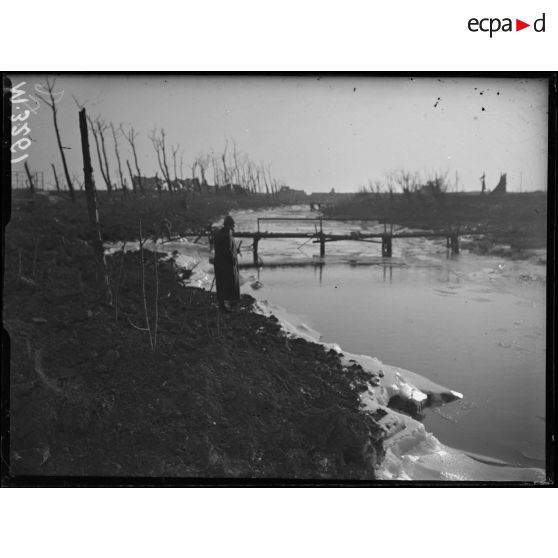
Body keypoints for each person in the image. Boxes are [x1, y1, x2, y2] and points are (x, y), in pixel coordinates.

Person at [213, 215, 240, 311]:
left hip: (219, 262)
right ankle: (227, 305)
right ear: (229, 224)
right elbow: (227, 250)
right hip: (225, 263)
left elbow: (223, 248)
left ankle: (222, 304)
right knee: (228, 283)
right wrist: (233, 258)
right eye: (232, 225)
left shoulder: (220, 232)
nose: (233, 226)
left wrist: (235, 251)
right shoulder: (227, 233)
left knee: (221, 284)